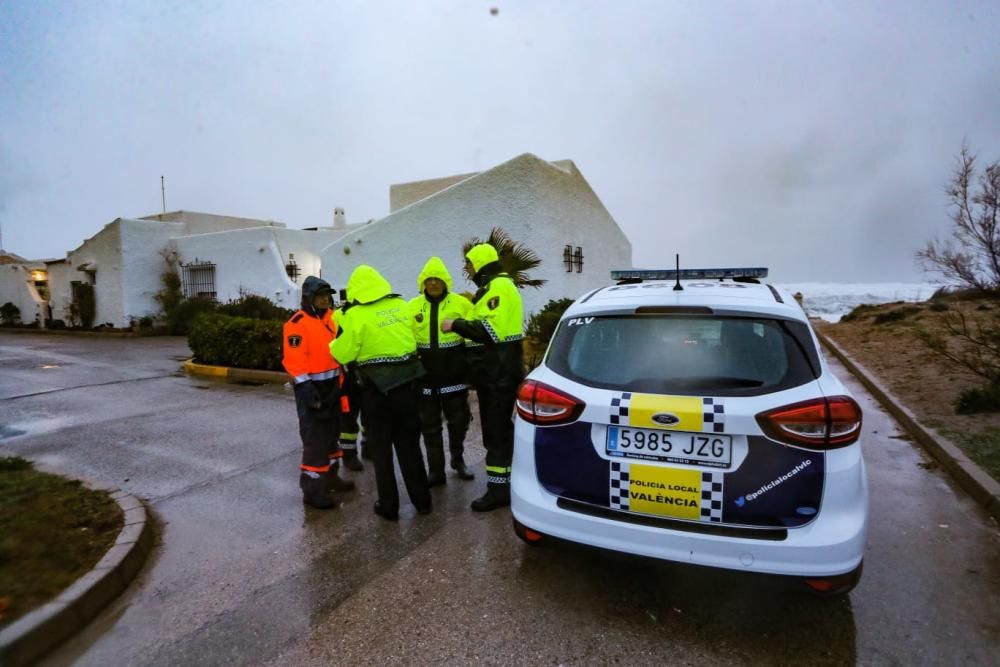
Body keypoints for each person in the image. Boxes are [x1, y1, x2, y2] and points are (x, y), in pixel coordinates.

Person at [330, 265, 432, 521]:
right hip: (408, 387)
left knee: (382, 451)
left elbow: (342, 354)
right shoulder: (401, 305)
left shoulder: (354, 315)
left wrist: (338, 327)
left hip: (377, 393)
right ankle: (423, 502)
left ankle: (389, 505)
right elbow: (414, 335)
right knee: (410, 447)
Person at [442, 243, 524, 511]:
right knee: (500, 430)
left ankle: (498, 490)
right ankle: (507, 483)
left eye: (469, 263)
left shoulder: (498, 288)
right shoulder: (495, 287)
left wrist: (455, 324)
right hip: (496, 374)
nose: (466, 269)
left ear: (479, 263)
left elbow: (488, 330)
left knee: (496, 433)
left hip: (497, 375)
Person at [282, 276, 355, 510]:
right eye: (320, 295)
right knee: (315, 441)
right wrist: (305, 389)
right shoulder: (296, 324)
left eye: (327, 295)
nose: (325, 299)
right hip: (312, 390)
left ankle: (331, 479)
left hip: (334, 387)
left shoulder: (333, 318)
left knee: (332, 435)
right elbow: (294, 361)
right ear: (309, 298)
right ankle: (312, 492)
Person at [408, 257, 476, 485]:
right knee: (430, 428)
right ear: (423, 282)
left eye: (437, 279)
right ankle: (435, 471)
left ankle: (457, 460)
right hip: (425, 379)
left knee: (459, 423)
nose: (434, 283)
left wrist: (471, 369)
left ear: (445, 281)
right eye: (429, 280)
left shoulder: (462, 304)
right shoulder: (412, 307)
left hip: (454, 376)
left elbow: (474, 335)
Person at [333, 290, 364, 471]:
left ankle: (369, 448)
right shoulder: (339, 315)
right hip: (348, 375)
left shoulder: (367, 313)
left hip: (367, 372)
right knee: (348, 417)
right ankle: (349, 454)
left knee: (370, 415)